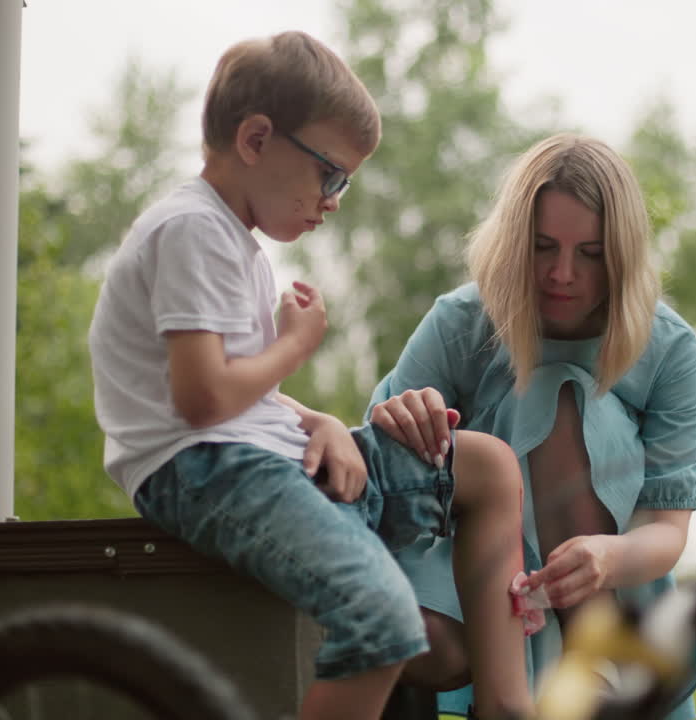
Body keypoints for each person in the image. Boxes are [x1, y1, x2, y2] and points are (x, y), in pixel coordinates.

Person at [87, 31, 533, 720]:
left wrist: (319, 421)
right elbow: (202, 398)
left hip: (258, 456)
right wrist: (295, 346)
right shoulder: (190, 232)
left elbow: (234, 388)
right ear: (257, 140)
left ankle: (505, 708)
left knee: (483, 464)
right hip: (209, 472)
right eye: (332, 174)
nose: (334, 199)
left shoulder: (232, 241)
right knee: (383, 621)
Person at [368, 134, 696, 719]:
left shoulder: (670, 350)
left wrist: (604, 556)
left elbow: (667, 533)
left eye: (592, 253)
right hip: (480, 585)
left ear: (622, 252)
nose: (562, 274)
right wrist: (401, 419)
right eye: (543, 246)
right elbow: (376, 467)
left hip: (610, 591)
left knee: (557, 393)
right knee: (395, 625)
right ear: (514, 241)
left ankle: (589, 668)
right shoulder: (460, 324)